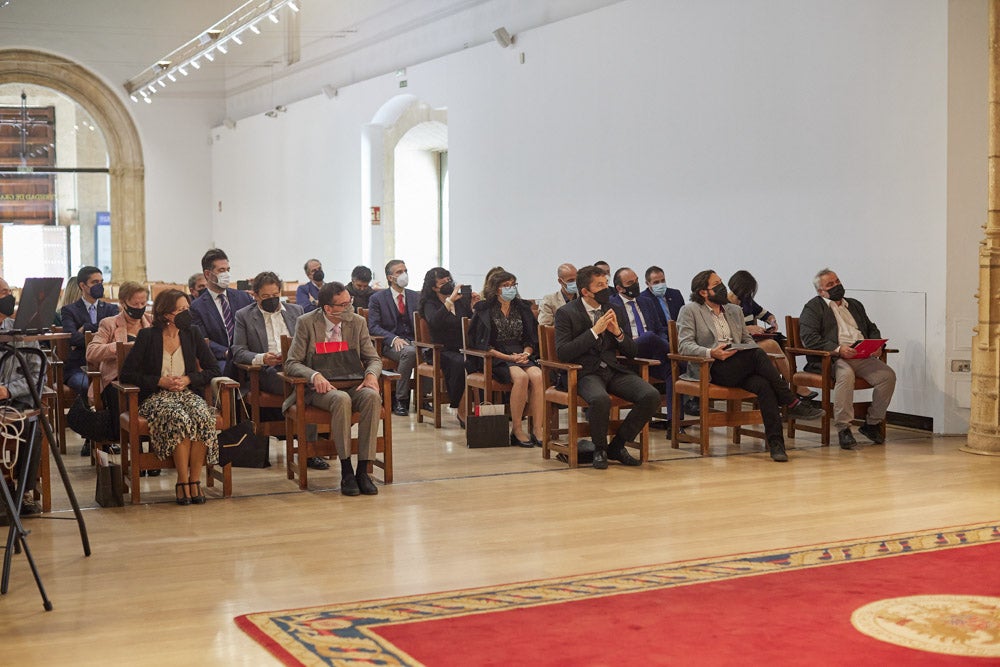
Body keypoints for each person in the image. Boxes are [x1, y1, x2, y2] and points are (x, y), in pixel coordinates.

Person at [676, 270, 824, 462]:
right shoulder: (690, 311)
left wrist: (744, 349)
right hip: (712, 367)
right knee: (757, 354)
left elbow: (747, 340)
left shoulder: (734, 311)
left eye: (722, 282)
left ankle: (776, 444)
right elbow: (684, 345)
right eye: (717, 285)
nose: (723, 288)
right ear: (703, 292)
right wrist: (711, 352)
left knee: (763, 385)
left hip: (739, 363)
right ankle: (791, 401)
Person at [119, 289, 221, 505]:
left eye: (187, 309)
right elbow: (127, 374)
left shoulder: (191, 333)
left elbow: (213, 369)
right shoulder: (148, 336)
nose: (187, 313)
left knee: (203, 417)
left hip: (186, 393)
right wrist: (159, 380)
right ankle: (182, 482)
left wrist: (188, 379)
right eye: (181, 310)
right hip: (157, 397)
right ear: (166, 314)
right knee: (179, 419)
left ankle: (195, 481)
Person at [283, 282, 383, 496]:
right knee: (340, 400)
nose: (350, 308)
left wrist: (371, 374)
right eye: (344, 304)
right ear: (328, 308)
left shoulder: (357, 322)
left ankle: (363, 471)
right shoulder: (306, 323)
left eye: (350, 302)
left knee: (372, 397)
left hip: (352, 383)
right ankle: (346, 471)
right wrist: (314, 375)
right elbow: (291, 362)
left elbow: (373, 358)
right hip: (319, 391)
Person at [555, 265, 660, 468]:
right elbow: (563, 352)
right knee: (600, 399)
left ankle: (618, 445)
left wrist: (618, 333)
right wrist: (594, 331)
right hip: (585, 372)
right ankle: (600, 449)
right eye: (600, 285)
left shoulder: (616, 310)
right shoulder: (566, 313)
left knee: (650, 395)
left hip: (613, 370)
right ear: (585, 291)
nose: (606, 289)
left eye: (606, 284)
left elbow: (631, 351)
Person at [231, 272, 325, 470]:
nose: (272, 299)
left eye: (275, 294)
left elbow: (310, 343)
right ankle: (308, 448)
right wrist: (262, 357)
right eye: (266, 296)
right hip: (266, 371)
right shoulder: (244, 316)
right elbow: (238, 351)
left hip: (295, 365)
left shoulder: (296, 310)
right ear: (255, 295)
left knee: (307, 380)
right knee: (305, 386)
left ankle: (308, 446)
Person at [799, 268, 896, 448]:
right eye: (830, 284)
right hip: (834, 358)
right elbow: (809, 338)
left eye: (837, 281)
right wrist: (837, 349)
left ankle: (872, 423)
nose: (836, 286)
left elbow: (871, 327)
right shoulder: (813, 307)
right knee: (846, 375)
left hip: (861, 354)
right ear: (821, 291)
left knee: (887, 376)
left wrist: (877, 346)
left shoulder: (854, 305)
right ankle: (843, 428)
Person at [468, 270, 544, 446]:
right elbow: (481, 344)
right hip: (496, 356)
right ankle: (516, 429)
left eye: (513, 285)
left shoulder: (523, 307)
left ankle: (537, 429)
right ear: (496, 289)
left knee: (538, 376)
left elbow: (531, 338)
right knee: (521, 377)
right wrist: (509, 357)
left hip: (521, 353)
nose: (511, 289)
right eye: (506, 286)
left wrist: (526, 353)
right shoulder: (484, 309)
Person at [85, 281, 154, 469]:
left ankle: (155, 452)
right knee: (124, 397)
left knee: (159, 397)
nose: (139, 308)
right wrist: (120, 348)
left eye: (143, 303)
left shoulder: (152, 322)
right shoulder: (109, 323)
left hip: (147, 380)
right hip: (117, 381)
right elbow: (91, 352)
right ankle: (134, 449)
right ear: (123, 303)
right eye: (135, 304)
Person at [726, 270, 815, 400]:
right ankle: (796, 388)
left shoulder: (747, 301)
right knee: (771, 345)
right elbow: (724, 329)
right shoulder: (723, 304)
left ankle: (781, 398)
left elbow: (765, 314)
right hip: (737, 346)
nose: (746, 295)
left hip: (752, 344)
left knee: (772, 361)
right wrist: (747, 328)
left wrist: (772, 321)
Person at [59, 266, 119, 455]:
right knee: (88, 386)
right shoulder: (69, 310)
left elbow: (114, 337)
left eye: (101, 282)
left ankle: (107, 435)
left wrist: (85, 328)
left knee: (111, 387)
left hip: (106, 366)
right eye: (95, 283)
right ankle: (91, 436)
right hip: (78, 367)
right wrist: (101, 333)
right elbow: (73, 338)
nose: (99, 286)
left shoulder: (111, 308)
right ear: (82, 285)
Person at [0, 278, 44, 516]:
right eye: (3, 293)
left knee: (32, 425)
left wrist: (8, 390)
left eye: (9, 291)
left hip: (16, 398)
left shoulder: (21, 330)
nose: (9, 296)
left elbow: (37, 376)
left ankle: (25, 491)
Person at [610, 266, 674, 425]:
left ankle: (673, 424)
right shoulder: (611, 304)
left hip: (651, 354)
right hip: (627, 352)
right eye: (630, 282)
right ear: (619, 288)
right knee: (650, 336)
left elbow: (659, 330)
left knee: (673, 369)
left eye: (637, 280)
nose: (636, 285)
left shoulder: (646, 301)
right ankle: (683, 359)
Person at [418, 267, 479, 427]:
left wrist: (474, 307)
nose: (448, 284)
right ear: (433, 287)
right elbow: (435, 322)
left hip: (463, 348)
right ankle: (461, 409)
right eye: (443, 282)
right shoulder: (429, 304)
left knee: (477, 362)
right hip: (441, 350)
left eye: (449, 280)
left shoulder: (461, 301)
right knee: (461, 363)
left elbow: (471, 323)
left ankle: (480, 410)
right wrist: (449, 300)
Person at [189, 248, 253, 377]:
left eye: (228, 270)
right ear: (207, 274)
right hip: (220, 358)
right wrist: (226, 352)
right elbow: (203, 340)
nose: (227, 274)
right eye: (221, 270)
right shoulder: (197, 307)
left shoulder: (243, 298)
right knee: (225, 372)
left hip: (246, 355)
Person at [367, 259, 419, 416]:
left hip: (412, 339)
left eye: (405, 270)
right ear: (390, 277)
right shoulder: (378, 298)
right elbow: (373, 326)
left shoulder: (415, 296)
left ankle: (423, 398)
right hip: (390, 343)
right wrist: (393, 338)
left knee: (427, 351)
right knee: (409, 352)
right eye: (399, 272)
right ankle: (401, 399)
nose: (404, 274)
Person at [537, 263, 578, 327]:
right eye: (571, 280)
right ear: (560, 281)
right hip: (560, 335)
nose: (575, 283)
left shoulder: (584, 297)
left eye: (577, 279)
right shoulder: (549, 300)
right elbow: (544, 327)